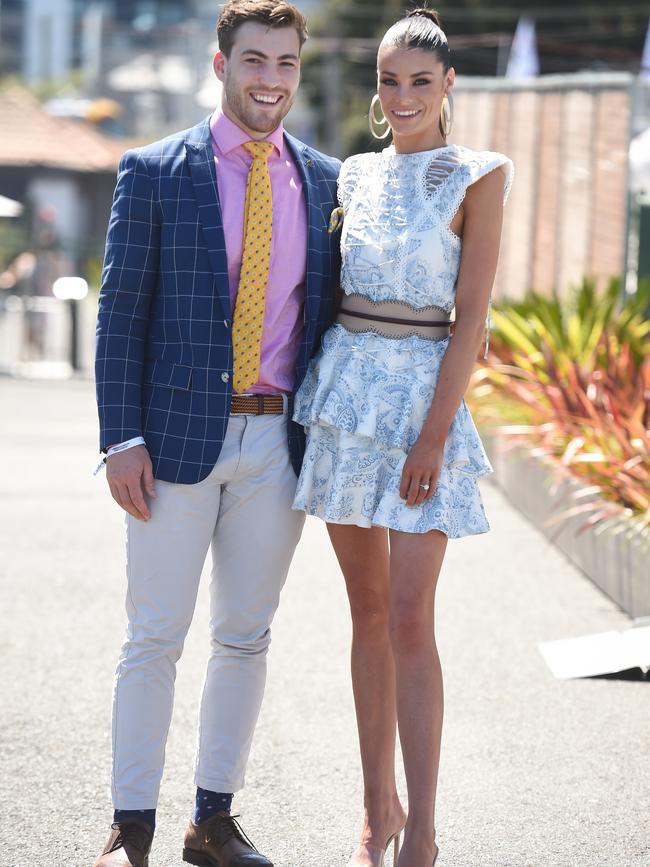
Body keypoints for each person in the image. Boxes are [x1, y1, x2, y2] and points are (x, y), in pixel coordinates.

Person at [93, 1, 340, 864]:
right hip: (169, 447)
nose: (270, 78)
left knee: (245, 635)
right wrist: (120, 437)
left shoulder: (325, 180)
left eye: (285, 63)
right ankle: (131, 828)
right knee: (154, 634)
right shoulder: (155, 170)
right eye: (255, 61)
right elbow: (119, 314)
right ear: (220, 63)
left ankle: (212, 820)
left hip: (277, 444)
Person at [292, 9, 514, 867]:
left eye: (421, 79)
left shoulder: (479, 175)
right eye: (390, 80)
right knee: (368, 613)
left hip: (425, 406)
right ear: (377, 88)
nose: (405, 94)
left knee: (415, 617)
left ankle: (421, 827)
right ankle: (371, 809)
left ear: (448, 83)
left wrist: (431, 438)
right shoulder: (351, 173)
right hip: (348, 403)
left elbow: (471, 322)